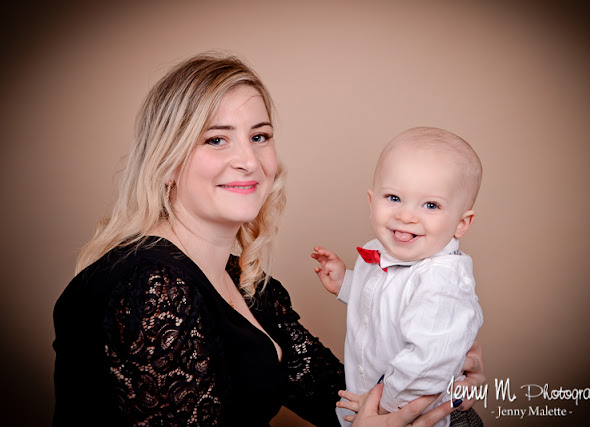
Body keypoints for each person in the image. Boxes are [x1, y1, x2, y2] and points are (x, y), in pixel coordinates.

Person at [53, 54, 485, 426]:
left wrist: (447, 390)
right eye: (216, 139)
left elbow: (346, 402)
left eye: (259, 136)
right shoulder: (150, 286)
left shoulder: (250, 287)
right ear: (166, 161)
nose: (248, 159)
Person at [312, 127, 484, 427]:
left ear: (461, 223)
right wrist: (346, 284)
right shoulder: (378, 249)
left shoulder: (441, 282)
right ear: (371, 202)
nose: (406, 215)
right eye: (393, 197)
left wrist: (382, 405)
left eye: (430, 205)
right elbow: (386, 305)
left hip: (421, 416)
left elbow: (427, 366)